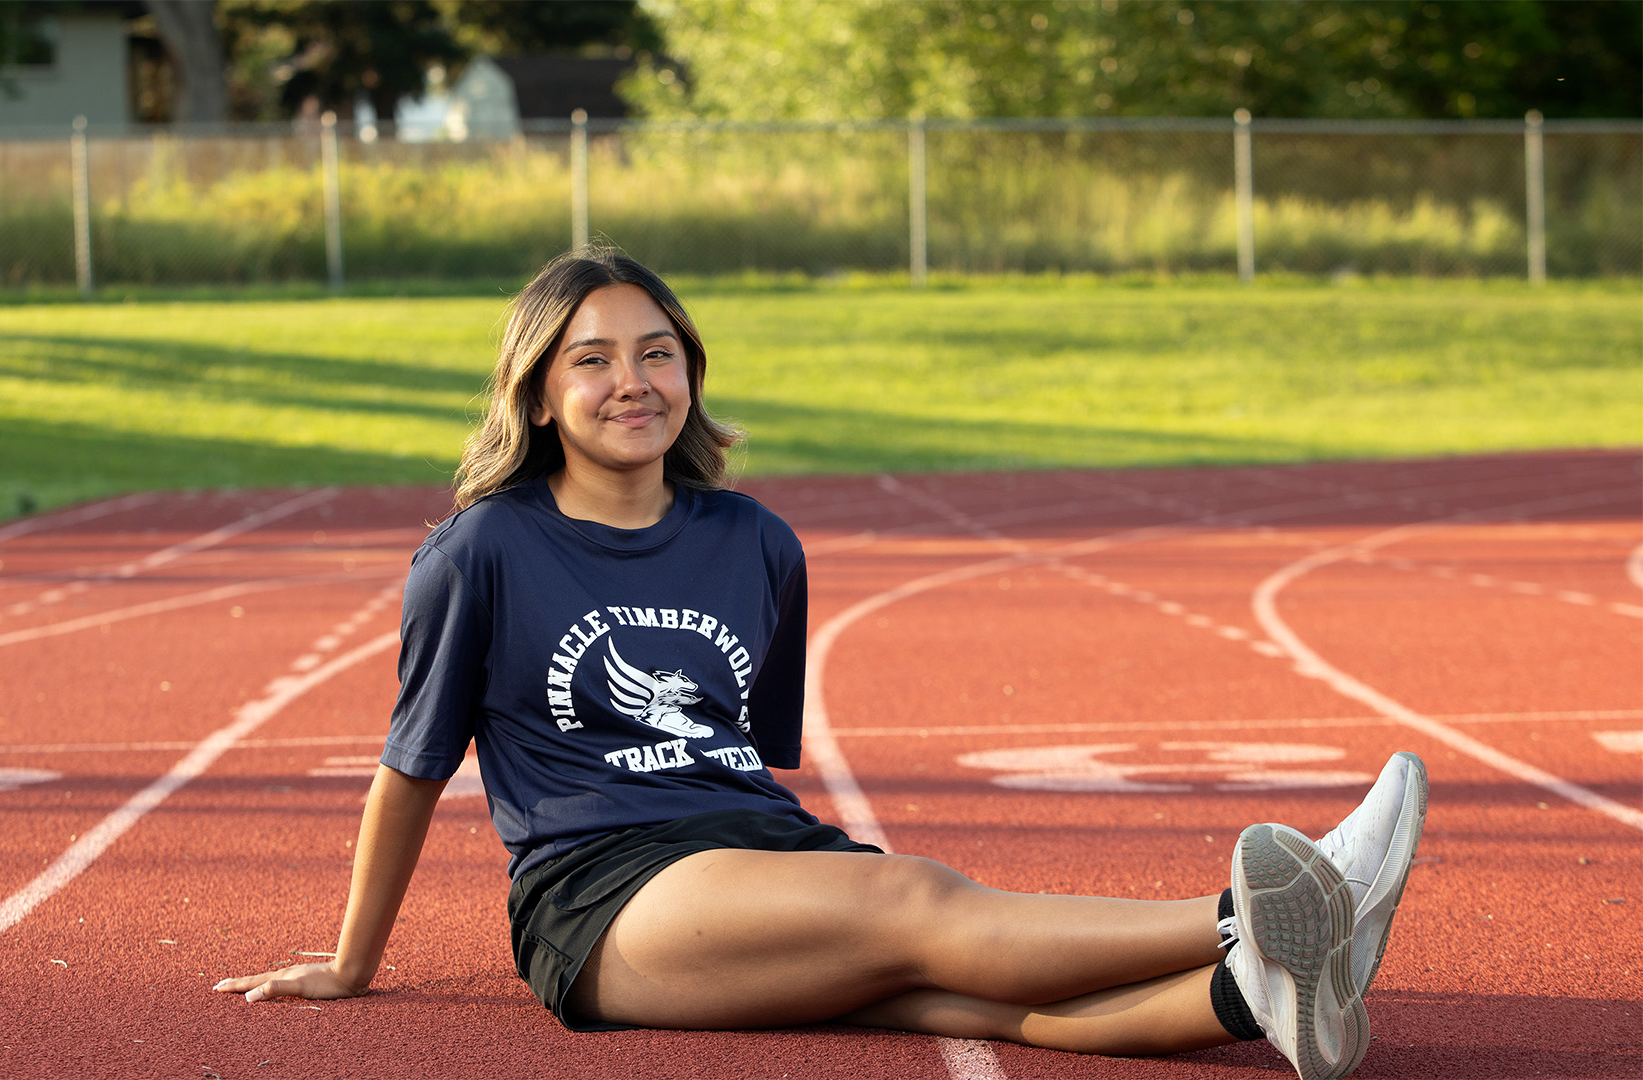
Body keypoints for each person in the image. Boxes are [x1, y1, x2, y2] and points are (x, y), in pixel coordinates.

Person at [213, 251, 1428, 1080]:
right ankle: (1274, 910)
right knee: (917, 905)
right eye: (590, 359)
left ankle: (1263, 1000)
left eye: (656, 352)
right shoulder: (480, 551)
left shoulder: (757, 542)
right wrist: (351, 964)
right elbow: (413, 767)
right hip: (602, 897)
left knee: (964, 996)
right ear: (536, 392)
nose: (630, 381)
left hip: (756, 849)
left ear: (690, 371)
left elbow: (745, 756)